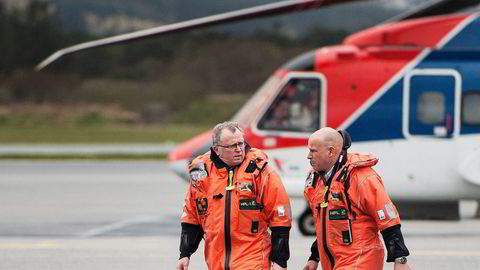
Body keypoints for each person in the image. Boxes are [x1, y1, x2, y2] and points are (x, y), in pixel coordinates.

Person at [176, 121, 292, 270]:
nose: (238, 149)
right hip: (216, 260)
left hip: (253, 258)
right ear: (217, 149)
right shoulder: (202, 174)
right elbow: (192, 217)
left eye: (241, 144)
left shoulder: (260, 171)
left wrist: (280, 260)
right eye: (232, 146)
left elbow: (280, 216)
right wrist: (184, 254)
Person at [302, 127, 411, 270]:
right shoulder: (318, 180)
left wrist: (400, 260)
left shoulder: (361, 177)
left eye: (313, 151)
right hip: (335, 263)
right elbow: (326, 226)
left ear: (330, 152)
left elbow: (388, 219)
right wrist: (314, 258)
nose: (308, 156)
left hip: (360, 260)